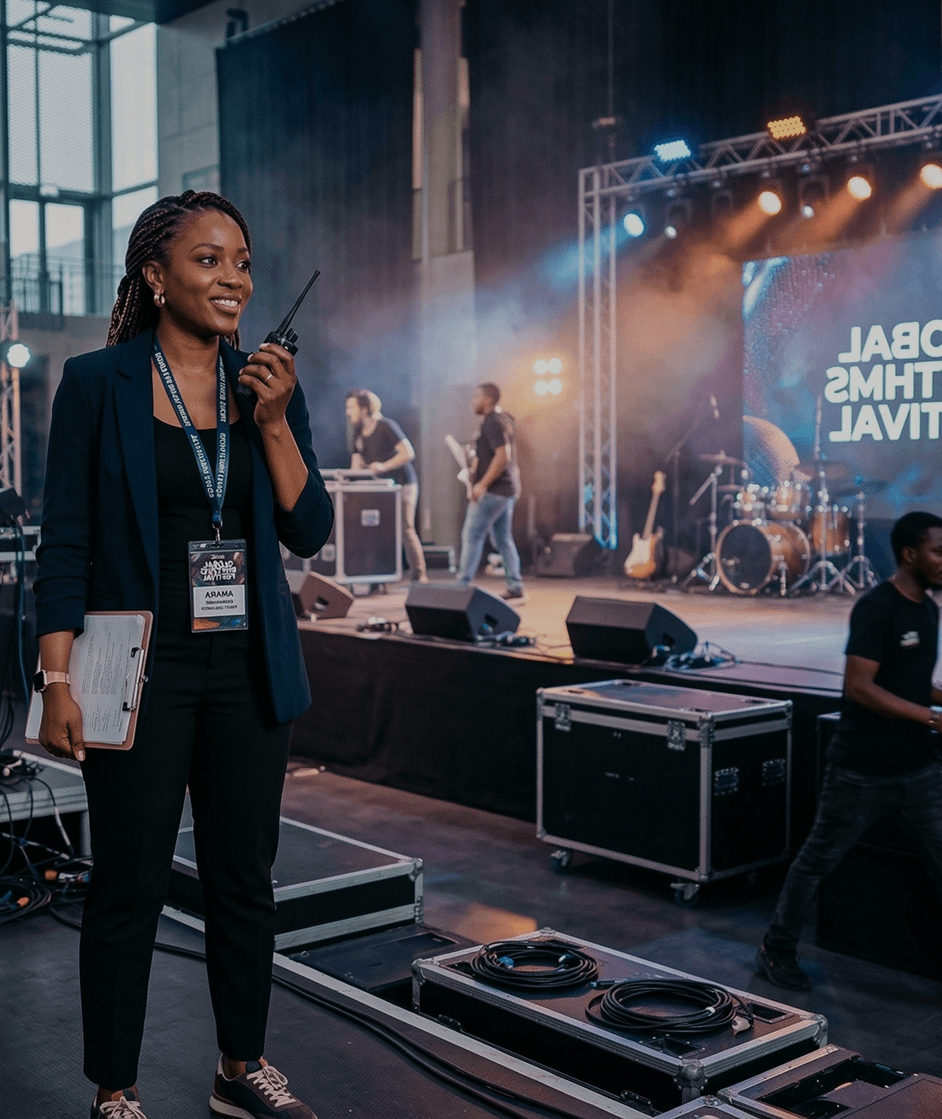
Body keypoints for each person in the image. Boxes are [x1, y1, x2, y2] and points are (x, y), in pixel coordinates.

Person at [33, 190, 333, 1119]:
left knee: (245, 880)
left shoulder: (266, 385)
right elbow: (65, 541)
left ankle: (240, 1066)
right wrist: (56, 678)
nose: (233, 278)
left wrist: (272, 422)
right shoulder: (97, 382)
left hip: (247, 670)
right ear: (156, 277)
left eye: (242, 261)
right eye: (208, 260)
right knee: (128, 882)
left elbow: (310, 530)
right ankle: (115, 1088)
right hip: (141, 670)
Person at [755, 510, 942, 991]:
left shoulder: (929, 609)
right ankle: (776, 948)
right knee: (817, 860)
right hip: (862, 771)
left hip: (918, 769)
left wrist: (937, 699)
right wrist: (931, 717)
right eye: (938, 552)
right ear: (910, 554)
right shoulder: (877, 608)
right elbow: (860, 687)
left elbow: (910, 680)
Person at [344, 388, 428, 582]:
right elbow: (356, 466)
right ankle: (378, 576)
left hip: (403, 484)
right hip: (382, 490)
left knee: (406, 528)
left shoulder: (386, 426)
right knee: (377, 529)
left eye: (351, 407)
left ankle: (420, 575)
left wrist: (383, 466)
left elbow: (408, 453)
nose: (348, 412)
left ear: (364, 409)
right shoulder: (358, 433)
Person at [455, 382, 526, 604]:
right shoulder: (498, 421)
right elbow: (487, 456)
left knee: (472, 535)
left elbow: (503, 455)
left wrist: (482, 484)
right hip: (505, 492)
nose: (472, 401)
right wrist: (473, 476)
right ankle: (515, 586)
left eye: (476, 397)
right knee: (503, 540)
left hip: (494, 492)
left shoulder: (493, 422)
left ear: (487, 399)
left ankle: (462, 586)